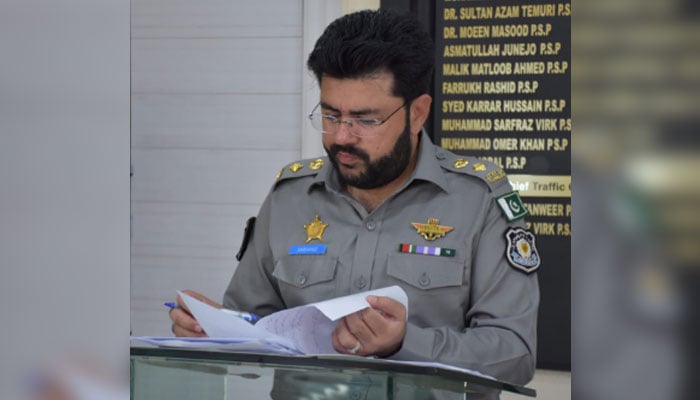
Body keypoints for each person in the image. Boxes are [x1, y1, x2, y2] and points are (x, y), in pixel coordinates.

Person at [170, 9, 539, 387]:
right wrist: (215, 334)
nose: (342, 137)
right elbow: (253, 335)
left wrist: (404, 343)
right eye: (331, 115)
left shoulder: (478, 200)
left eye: (366, 120)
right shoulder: (290, 197)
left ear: (418, 113)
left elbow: (514, 355)